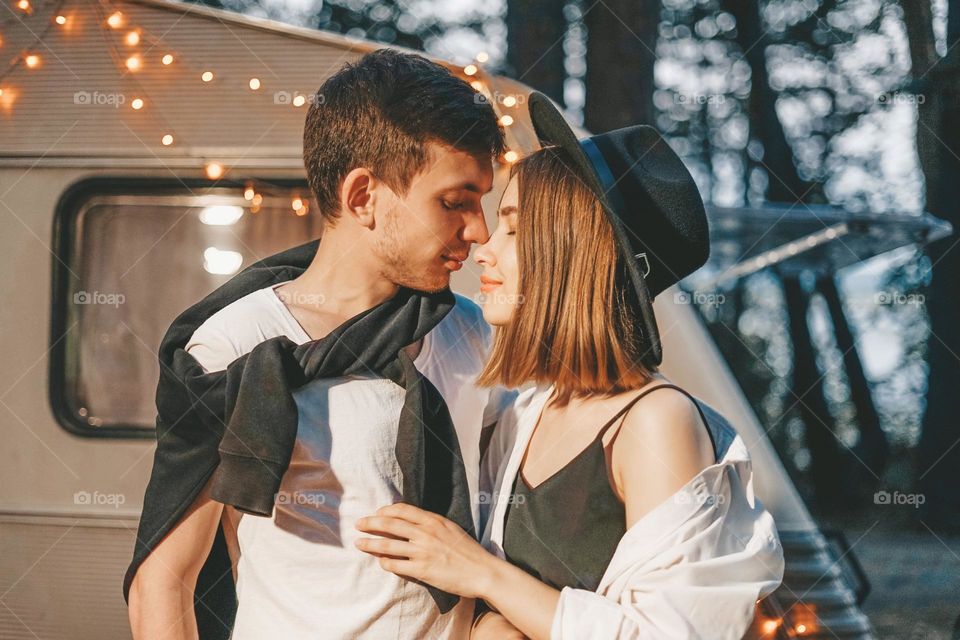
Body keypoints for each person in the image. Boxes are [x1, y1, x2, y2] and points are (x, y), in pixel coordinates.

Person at [355, 91, 785, 639]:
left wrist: (482, 573)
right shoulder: (526, 410)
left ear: (572, 250)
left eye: (513, 227)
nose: (484, 245)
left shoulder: (654, 422)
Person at [125, 49, 517, 640]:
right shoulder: (239, 343)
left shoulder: (476, 335)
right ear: (362, 195)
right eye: (455, 201)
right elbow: (165, 579)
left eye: (482, 202)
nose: (479, 229)